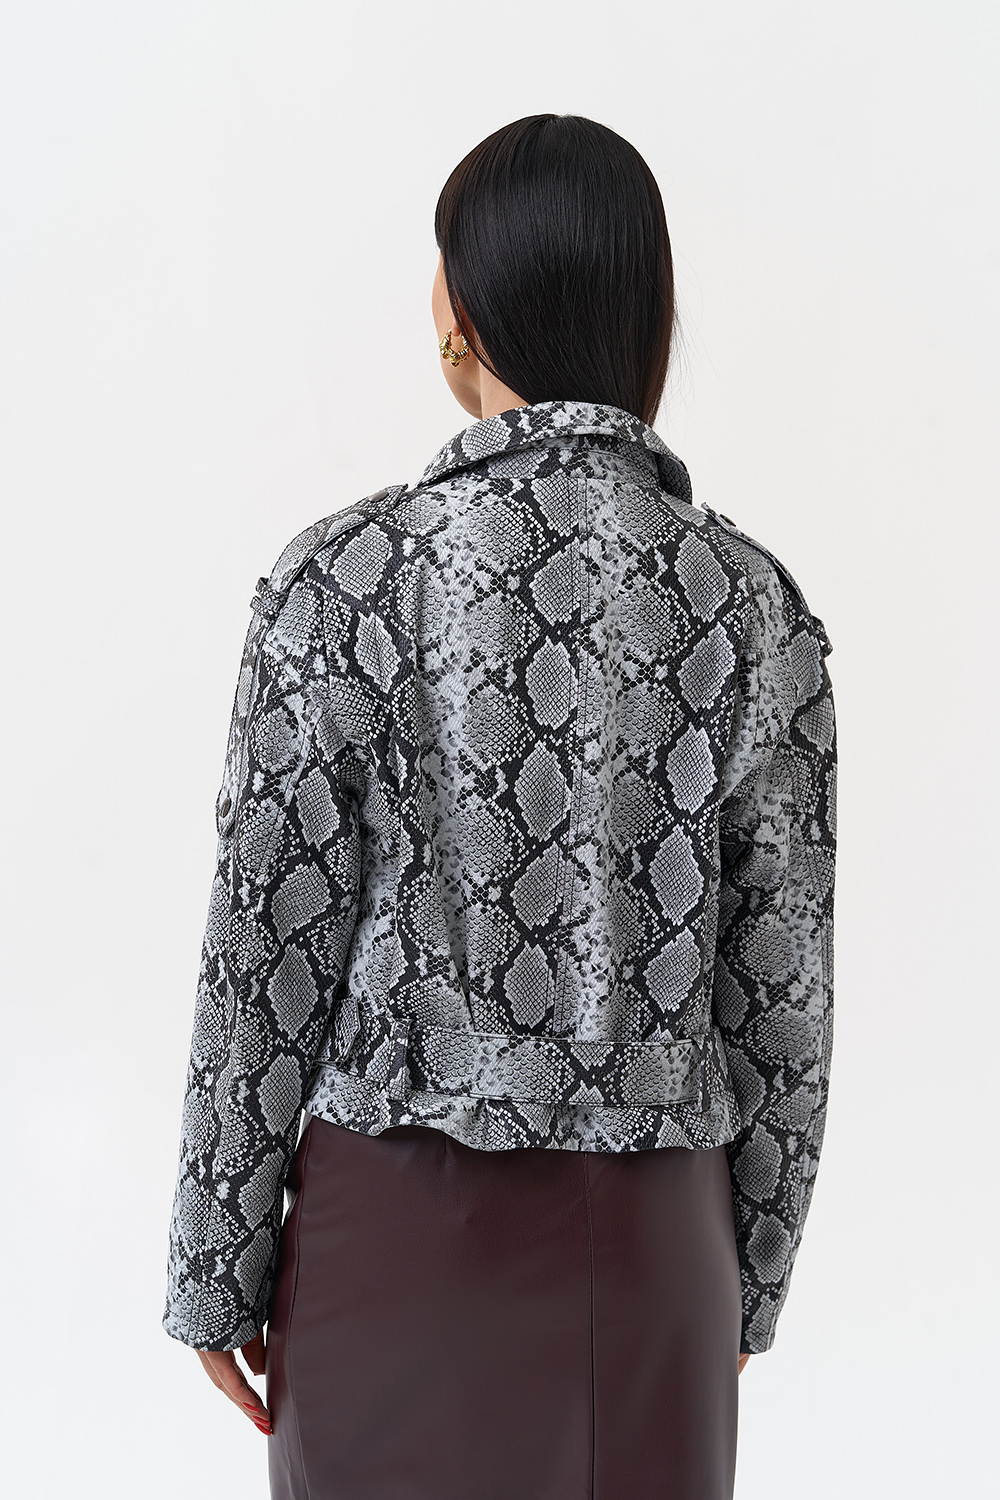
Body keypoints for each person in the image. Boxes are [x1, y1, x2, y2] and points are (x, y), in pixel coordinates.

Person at [163, 113, 837, 1500]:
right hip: (655, 1248)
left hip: (386, 1240)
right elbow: (784, 996)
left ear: (460, 321)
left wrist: (215, 1260)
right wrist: (751, 1273)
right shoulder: (752, 608)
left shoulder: (342, 584)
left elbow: (264, 959)